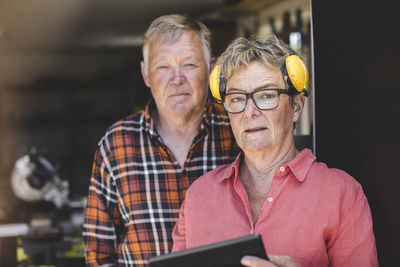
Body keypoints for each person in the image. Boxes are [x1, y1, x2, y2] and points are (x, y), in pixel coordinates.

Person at [172, 36, 378, 267]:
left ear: (296, 108)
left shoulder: (342, 193)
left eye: (266, 96)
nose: (250, 111)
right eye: (237, 99)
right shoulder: (199, 196)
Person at [83, 14, 238, 266]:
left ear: (211, 69)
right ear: (146, 74)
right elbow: (99, 254)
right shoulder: (116, 145)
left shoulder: (237, 131)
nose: (176, 79)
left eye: (189, 64)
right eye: (163, 66)